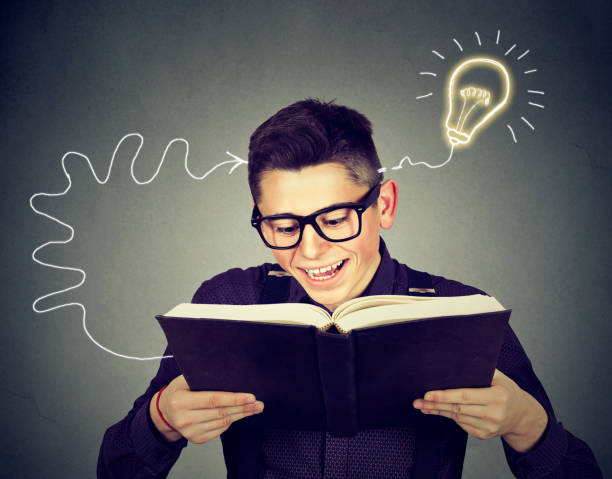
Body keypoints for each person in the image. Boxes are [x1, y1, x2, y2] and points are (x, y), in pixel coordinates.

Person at [98, 99, 602, 478]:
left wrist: (524, 424)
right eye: (282, 225)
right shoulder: (226, 303)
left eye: (335, 219)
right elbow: (115, 467)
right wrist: (161, 419)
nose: (310, 251)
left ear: (384, 206)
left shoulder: (463, 314)